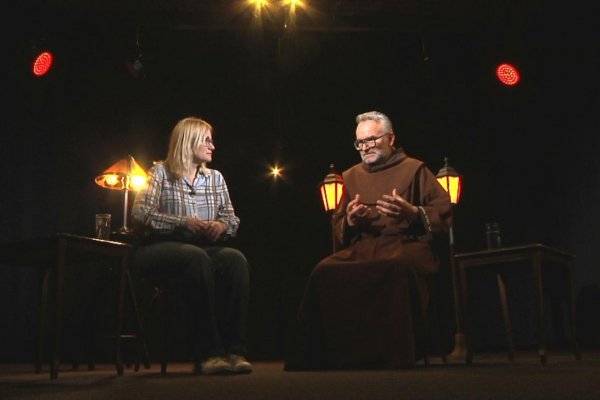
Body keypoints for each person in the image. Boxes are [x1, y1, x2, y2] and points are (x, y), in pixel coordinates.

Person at [286, 111, 452, 370]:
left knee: (396, 267)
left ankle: (393, 354)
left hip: (406, 244)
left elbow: (443, 211)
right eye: (360, 142)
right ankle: (328, 356)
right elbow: (338, 224)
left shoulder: (415, 169)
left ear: (390, 139)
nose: (365, 147)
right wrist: (351, 220)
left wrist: (412, 212)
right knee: (323, 270)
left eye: (371, 140)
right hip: (363, 246)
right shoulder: (350, 176)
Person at [131, 116, 251, 375]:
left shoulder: (215, 178)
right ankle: (209, 353)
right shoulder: (160, 173)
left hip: (201, 248)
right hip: (160, 247)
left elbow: (231, 218)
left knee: (235, 260)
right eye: (207, 140)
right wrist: (181, 223)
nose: (212, 146)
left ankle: (235, 351)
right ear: (189, 141)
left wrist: (221, 226)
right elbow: (140, 214)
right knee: (195, 257)